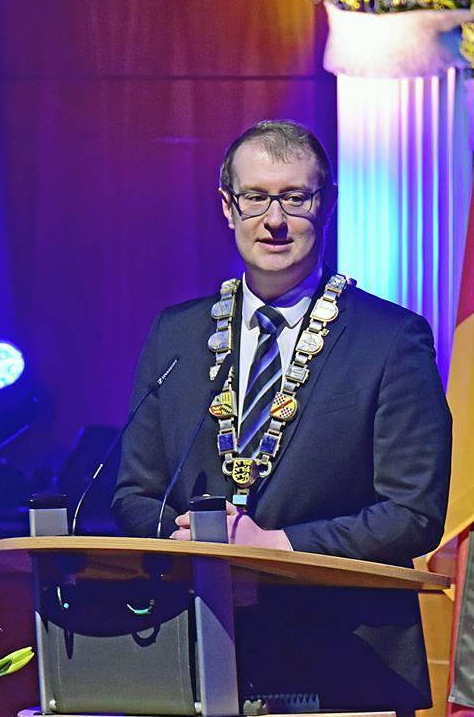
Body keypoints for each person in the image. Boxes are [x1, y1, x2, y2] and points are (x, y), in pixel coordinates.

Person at [113, 119, 451, 713]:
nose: (274, 220)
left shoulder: (391, 339)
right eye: (255, 197)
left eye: (295, 197)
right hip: (196, 656)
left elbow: (413, 513)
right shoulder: (176, 334)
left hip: (344, 663)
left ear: (327, 205)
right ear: (227, 206)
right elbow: (135, 493)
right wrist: (193, 545)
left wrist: (276, 548)